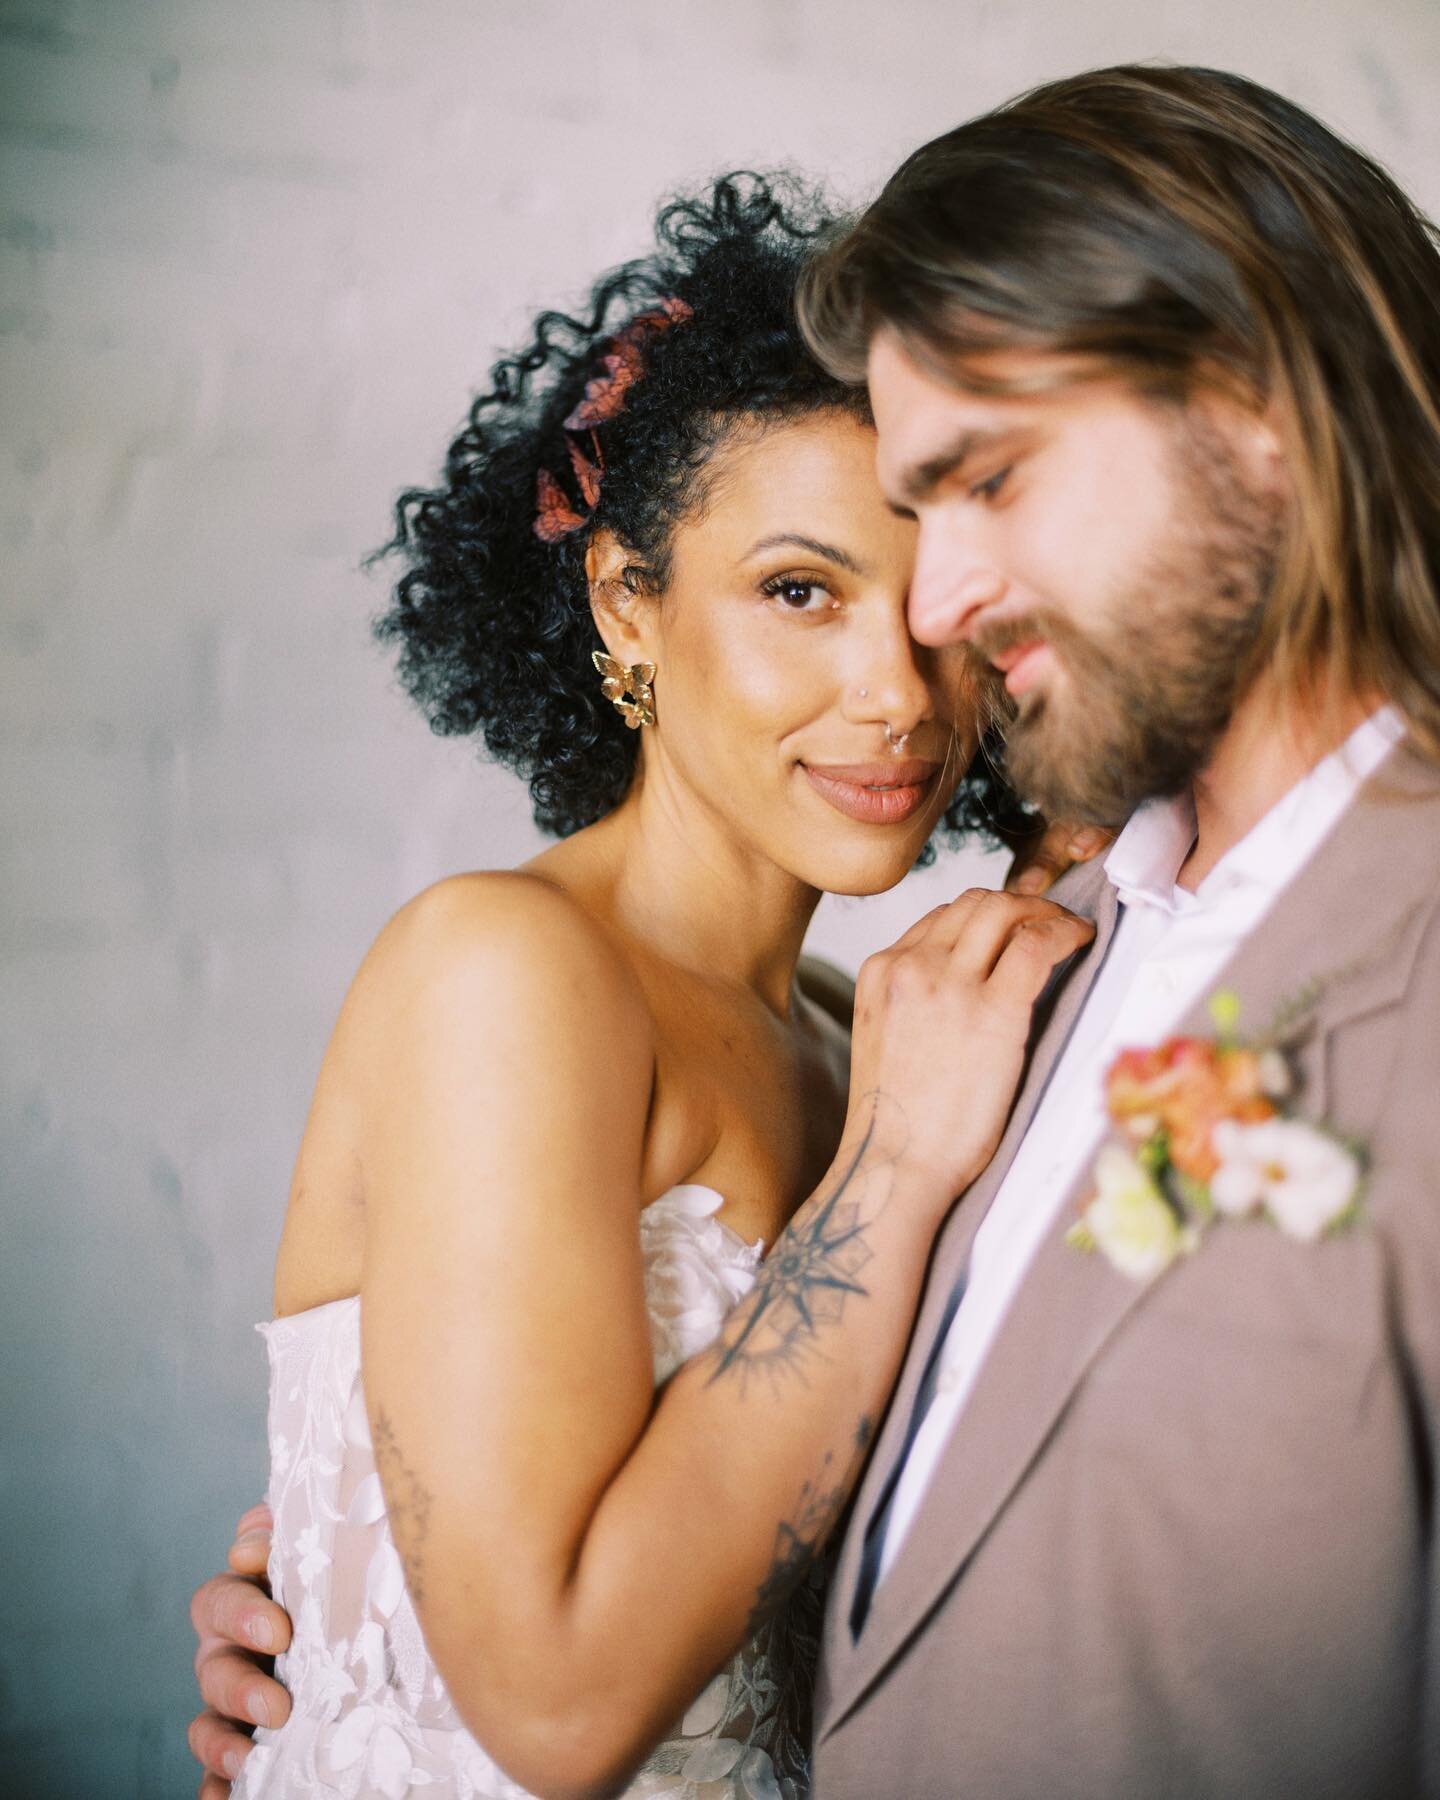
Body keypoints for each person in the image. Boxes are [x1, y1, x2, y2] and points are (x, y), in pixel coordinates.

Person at [185, 174, 1105, 1800]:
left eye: (934, 610)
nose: (893, 694)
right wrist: (894, 1171)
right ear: (628, 600)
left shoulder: (853, 1029)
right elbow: (550, 1712)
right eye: (800, 591)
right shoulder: (507, 971)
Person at [785, 63, 1440, 1799]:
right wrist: (381, 1614)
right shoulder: (1039, 955)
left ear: (1262, 405)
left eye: (986, 478)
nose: (934, 602)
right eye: (917, 515)